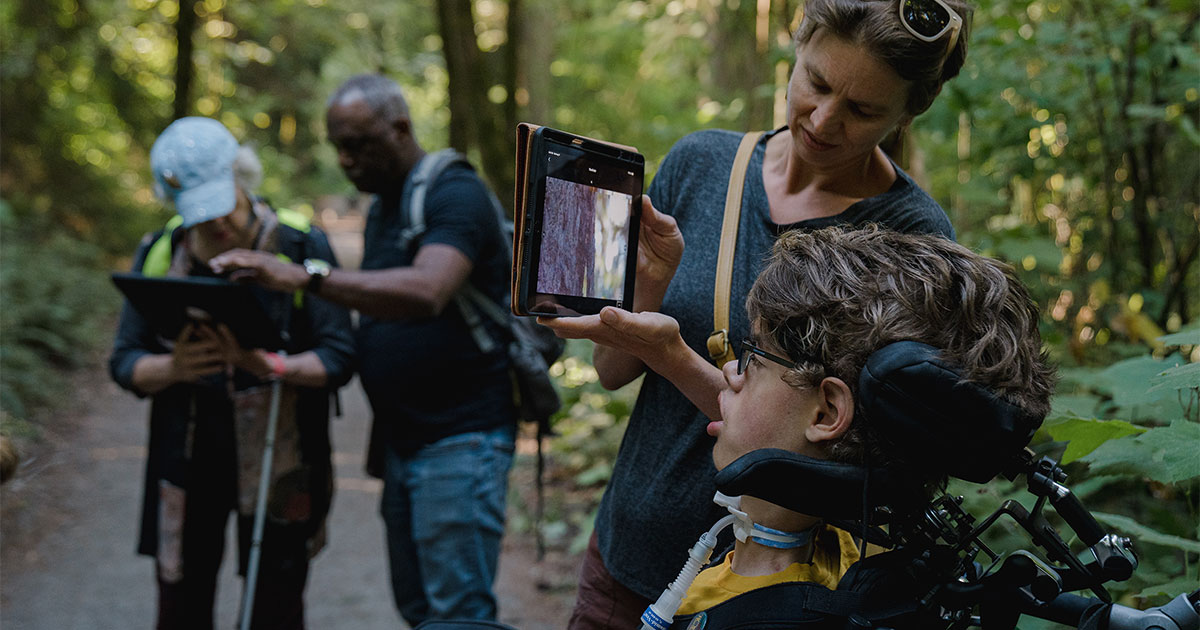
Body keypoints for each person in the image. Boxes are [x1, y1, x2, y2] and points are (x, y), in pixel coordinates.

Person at [540, 0, 976, 626]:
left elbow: (846, 454)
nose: (824, 120)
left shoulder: (912, 238)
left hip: (771, 599)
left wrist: (676, 357)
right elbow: (611, 371)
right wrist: (651, 285)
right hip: (627, 559)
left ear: (910, 111)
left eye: (862, 110)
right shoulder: (702, 164)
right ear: (796, 47)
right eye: (816, 83)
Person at [209, 74, 517, 625]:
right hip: (405, 441)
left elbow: (426, 291)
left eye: (358, 144)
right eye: (338, 147)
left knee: (458, 612)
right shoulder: (384, 205)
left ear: (399, 128)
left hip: (460, 439)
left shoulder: (455, 192)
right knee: (419, 606)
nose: (346, 160)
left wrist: (305, 277)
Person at [669, 225, 1055, 618]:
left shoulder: (755, 613)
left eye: (756, 357)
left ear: (827, 413)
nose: (732, 371)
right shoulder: (862, 557)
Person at [109, 116, 355, 629]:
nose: (215, 224)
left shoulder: (300, 246)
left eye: (221, 205)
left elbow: (339, 357)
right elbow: (124, 362)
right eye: (198, 213)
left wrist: (267, 365)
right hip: (187, 461)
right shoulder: (162, 251)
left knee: (275, 606)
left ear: (242, 178)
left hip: (280, 460)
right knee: (180, 607)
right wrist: (173, 367)